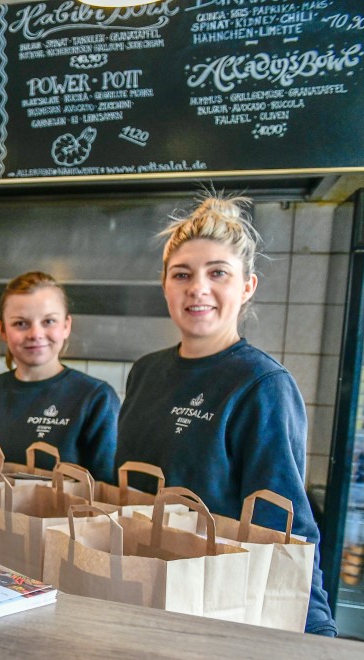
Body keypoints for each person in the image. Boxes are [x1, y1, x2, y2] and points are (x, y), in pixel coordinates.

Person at [115, 194, 335, 636]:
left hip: (218, 608)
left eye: (218, 273)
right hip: (135, 592)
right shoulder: (146, 372)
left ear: (247, 286)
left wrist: (317, 634)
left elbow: (286, 527)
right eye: (183, 274)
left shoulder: (262, 385)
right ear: (165, 285)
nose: (198, 288)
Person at [0, 271, 120, 483]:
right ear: (2, 330)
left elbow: (107, 492)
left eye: (49, 321)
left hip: (65, 517)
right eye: (20, 323)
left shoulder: (95, 398)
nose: (35, 334)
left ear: (66, 326)